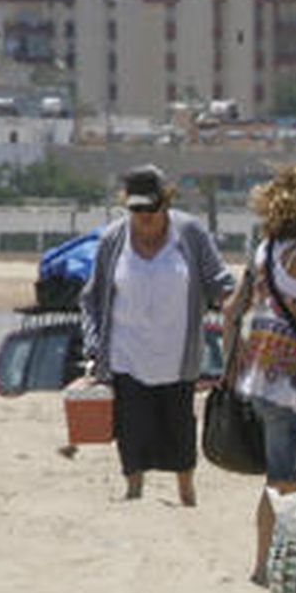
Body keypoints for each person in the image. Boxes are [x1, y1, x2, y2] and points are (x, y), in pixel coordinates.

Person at [80, 164, 234, 505]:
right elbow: (91, 298)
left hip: (177, 356)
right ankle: (134, 490)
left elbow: (220, 283)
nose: (145, 216)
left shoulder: (190, 234)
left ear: (166, 203)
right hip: (125, 353)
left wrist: (240, 306)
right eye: (136, 209)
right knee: (130, 427)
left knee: (180, 427)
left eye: (151, 208)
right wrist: (93, 348)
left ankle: (186, 492)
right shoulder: (112, 239)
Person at [225, 162, 296, 585]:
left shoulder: (266, 248)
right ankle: (267, 566)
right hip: (290, 381)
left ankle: (271, 561)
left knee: (282, 471)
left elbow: (231, 308)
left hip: (259, 373)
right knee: (285, 476)